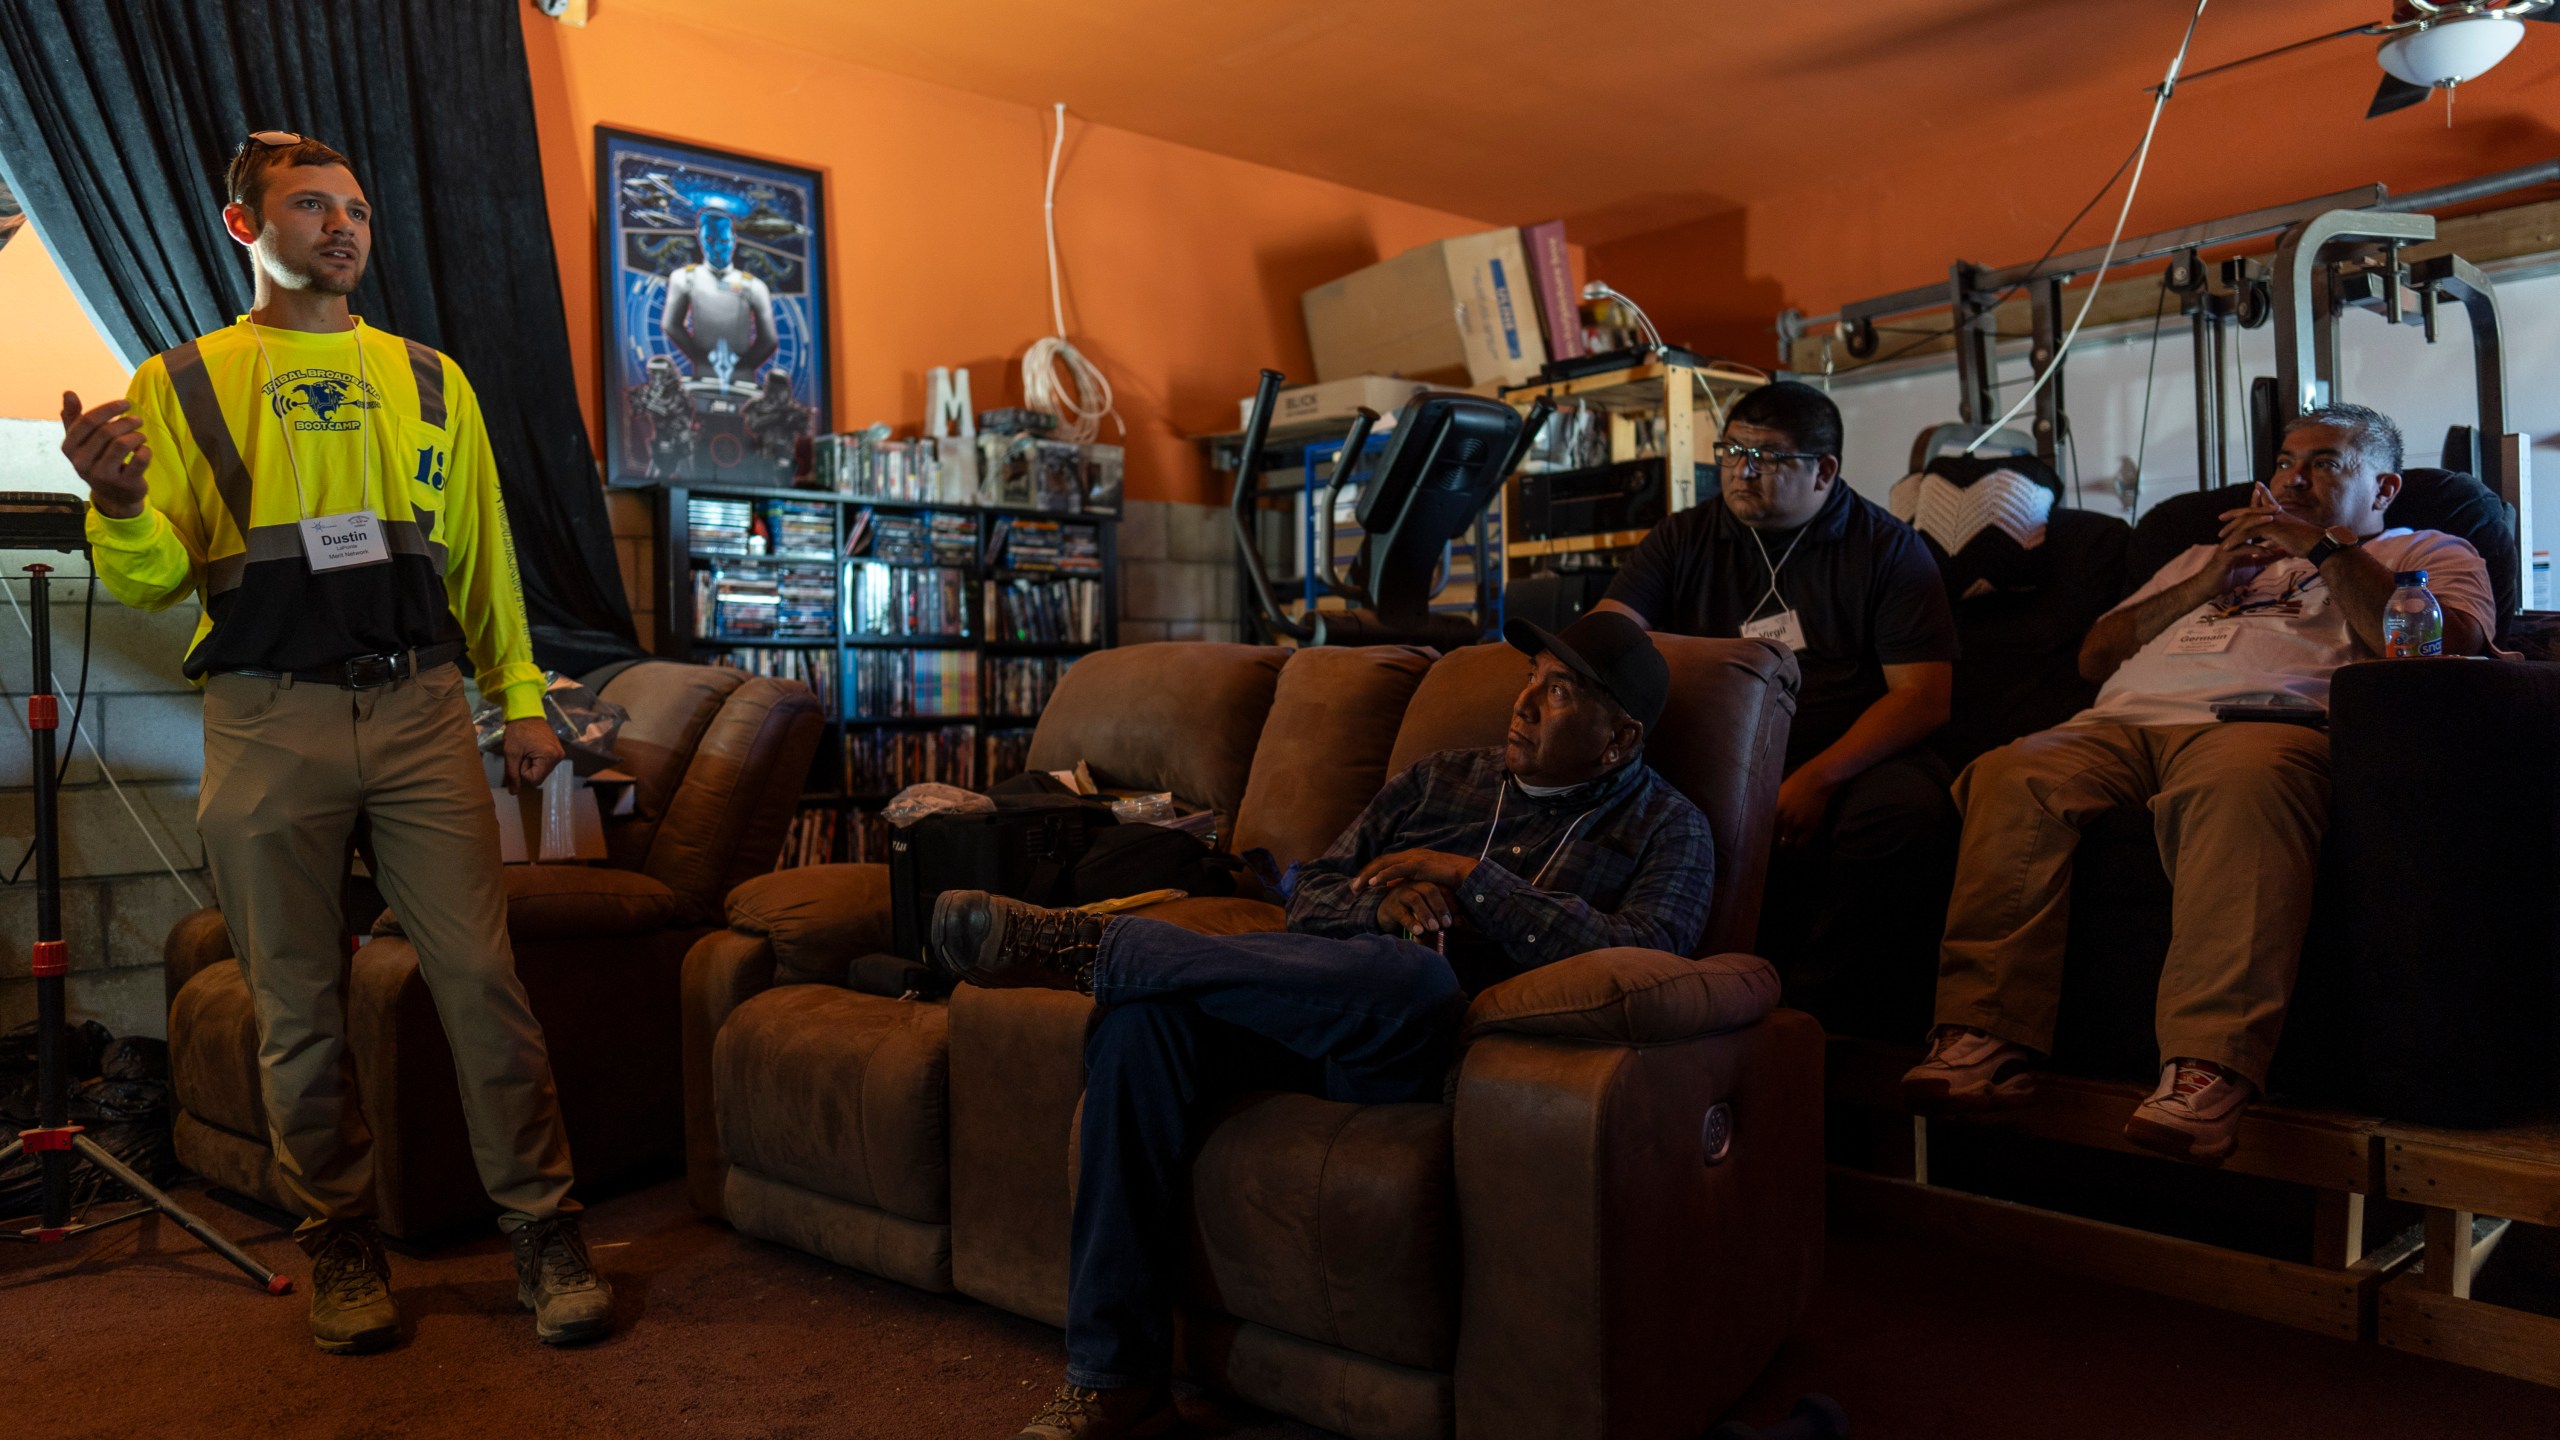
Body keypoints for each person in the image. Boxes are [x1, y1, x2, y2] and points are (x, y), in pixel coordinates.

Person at [56, 132, 611, 1352]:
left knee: (481, 983)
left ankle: (542, 1229)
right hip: (266, 716)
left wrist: (520, 697)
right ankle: (338, 1242)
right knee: (297, 1009)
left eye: (355, 207)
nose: (344, 225)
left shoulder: (429, 378)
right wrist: (115, 503)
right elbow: (152, 584)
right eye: (312, 205)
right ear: (245, 227)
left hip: (420, 713)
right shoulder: (181, 382)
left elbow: (481, 554)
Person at [928, 612, 1716, 1440]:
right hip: (1313, 1009)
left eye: (1557, 691)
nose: (1523, 701)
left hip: (1434, 1050)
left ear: (1619, 738)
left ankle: (1097, 946)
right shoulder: (1442, 779)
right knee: (1141, 1026)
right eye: (1531, 676)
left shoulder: (1669, 829)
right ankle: (1118, 1385)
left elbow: (1646, 953)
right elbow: (1311, 888)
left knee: (1416, 974)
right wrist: (1382, 901)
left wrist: (1471, 882)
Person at [1903, 403, 2494, 1163]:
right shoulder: (2194, 556)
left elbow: (2445, 646)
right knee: (2010, 772)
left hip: (2262, 729)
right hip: (2120, 729)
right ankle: (1983, 1039)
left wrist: (2321, 551)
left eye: (2325, 463)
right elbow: (2095, 657)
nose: (2293, 477)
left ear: (2383, 487)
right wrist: (2209, 576)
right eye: (2286, 461)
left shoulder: (2430, 548)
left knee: (2243, 786)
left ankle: (2208, 1067)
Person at [1597, 380, 1958, 1035]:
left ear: (1823, 471)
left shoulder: (1888, 549)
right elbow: (1609, 631)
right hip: (1714, 746)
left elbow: (1922, 698)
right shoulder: (1683, 538)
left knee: (1901, 813)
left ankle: (1816, 1019)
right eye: (1731, 451)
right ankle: (1665, 997)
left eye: (1766, 456)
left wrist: (1816, 778)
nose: (1741, 470)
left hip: (1847, 755)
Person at [663, 207, 778, 388]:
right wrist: (699, 358)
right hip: (703, 378)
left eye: (723, 241)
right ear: (698, 235)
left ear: (734, 240)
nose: (716, 248)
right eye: (709, 239)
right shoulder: (684, 278)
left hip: (742, 382)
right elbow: (670, 324)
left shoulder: (754, 287)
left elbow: (769, 340)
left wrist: (742, 365)